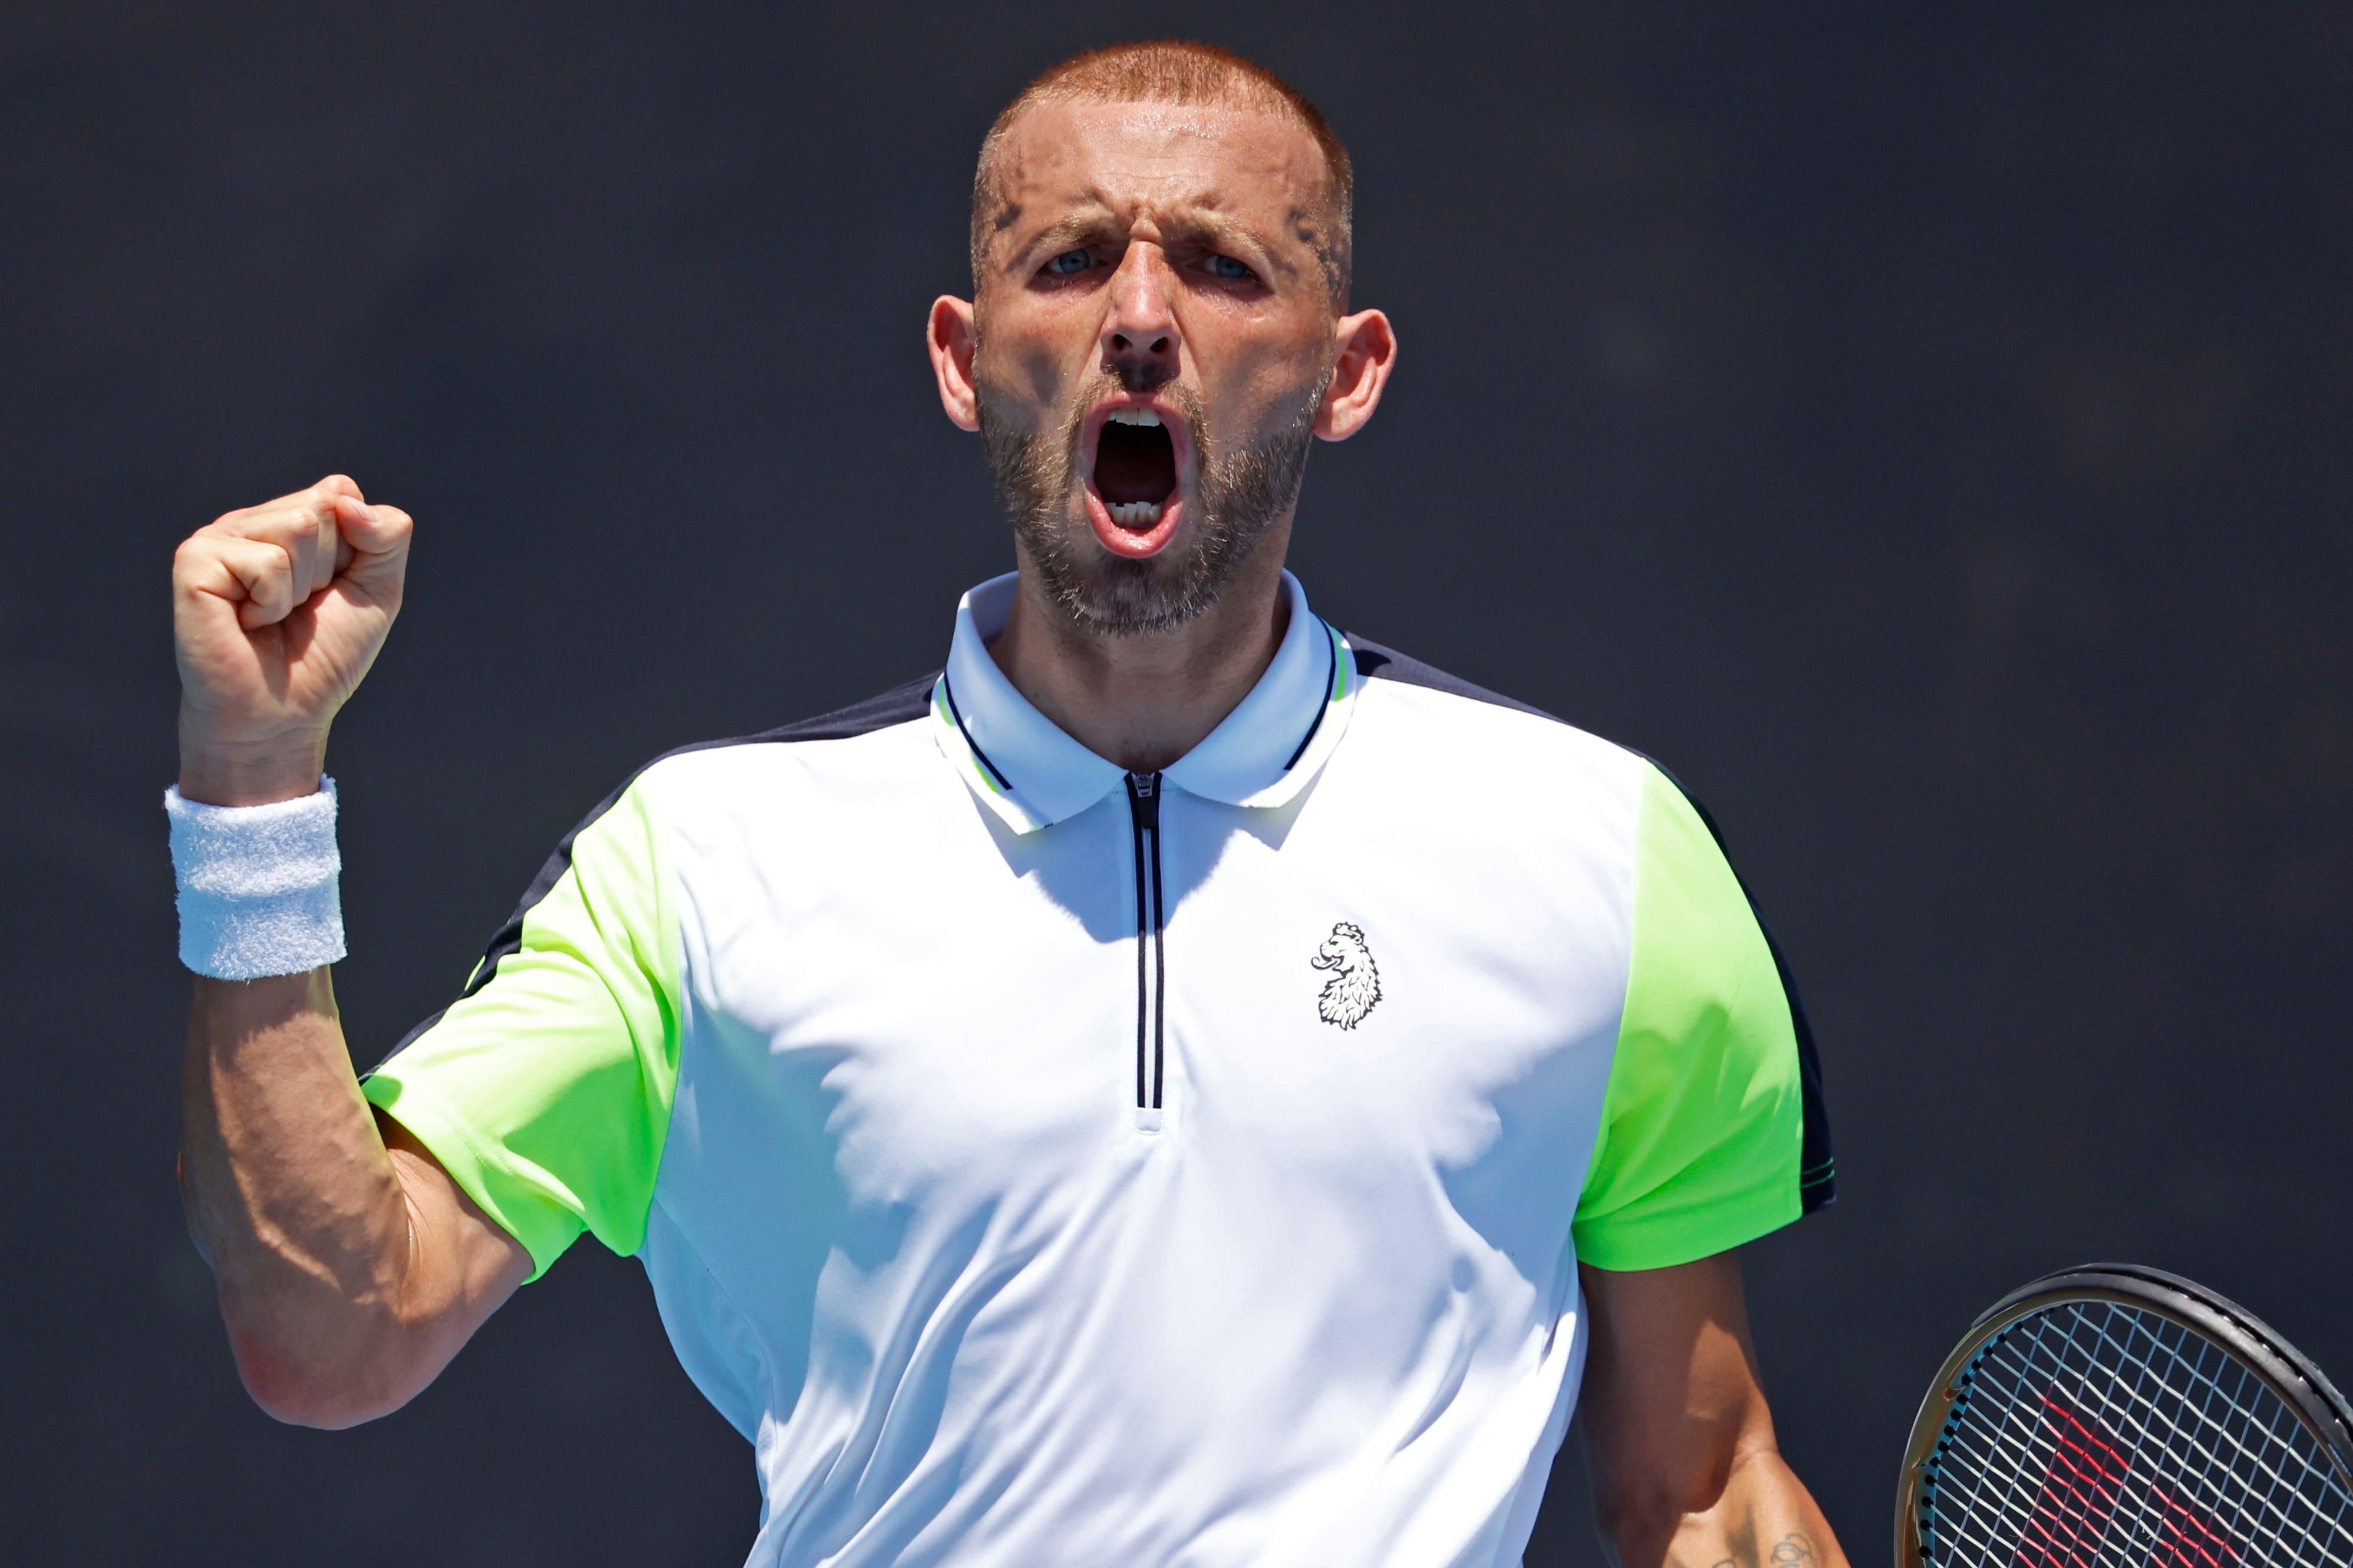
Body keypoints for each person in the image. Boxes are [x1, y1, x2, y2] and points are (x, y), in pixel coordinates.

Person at [168, 40, 1847, 1568]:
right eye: (1068, 260)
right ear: (968, 361)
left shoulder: (1601, 855)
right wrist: (252, 792)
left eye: (1220, 264)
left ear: (1347, 371)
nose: (1137, 313)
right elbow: (332, 1331)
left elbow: (1698, 1484)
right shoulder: (703, 867)